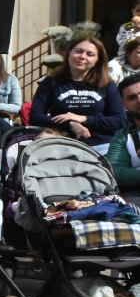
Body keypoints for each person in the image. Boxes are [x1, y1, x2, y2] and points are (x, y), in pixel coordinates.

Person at [29, 38, 123, 149]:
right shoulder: (51, 82)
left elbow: (119, 120)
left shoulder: (107, 84)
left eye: (90, 54)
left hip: (100, 146)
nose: (82, 56)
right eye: (78, 51)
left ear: (98, 60)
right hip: (60, 143)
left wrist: (85, 119)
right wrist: (70, 124)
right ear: (69, 53)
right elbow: (36, 117)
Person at [108, 72, 140, 206]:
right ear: (124, 105)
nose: (139, 100)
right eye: (132, 97)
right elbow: (115, 171)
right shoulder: (123, 137)